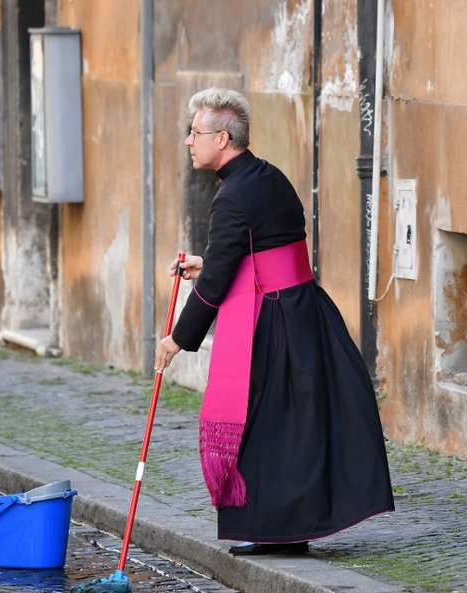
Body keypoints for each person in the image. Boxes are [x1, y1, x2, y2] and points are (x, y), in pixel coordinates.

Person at [154, 87, 394, 555]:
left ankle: (277, 530)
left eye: (195, 133)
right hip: (302, 308)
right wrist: (207, 263)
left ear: (222, 138)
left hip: (273, 319)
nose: (188, 141)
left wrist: (177, 340)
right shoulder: (267, 176)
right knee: (290, 424)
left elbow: (221, 279)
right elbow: (264, 249)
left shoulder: (231, 197)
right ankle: (286, 530)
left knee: (266, 423)